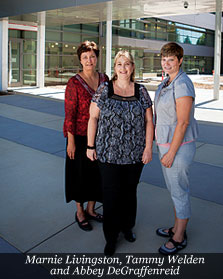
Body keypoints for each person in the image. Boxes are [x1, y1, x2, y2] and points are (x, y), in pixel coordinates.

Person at [87, 50, 154, 256]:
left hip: (135, 155)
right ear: (114, 68)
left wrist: (148, 148)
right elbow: (93, 118)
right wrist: (90, 146)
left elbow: (149, 121)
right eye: (119, 64)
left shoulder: (141, 90)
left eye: (127, 64)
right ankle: (111, 236)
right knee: (111, 196)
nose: (123, 68)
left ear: (132, 67)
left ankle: (127, 227)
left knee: (129, 193)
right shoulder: (104, 89)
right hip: (108, 154)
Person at [154, 42, 198, 255]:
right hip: (166, 146)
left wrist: (171, 152)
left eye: (171, 59)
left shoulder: (182, 84)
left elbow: (183, 123)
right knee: (174, 190)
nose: (167, 63)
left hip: (178, 149)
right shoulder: (167, 82)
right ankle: (176, 227)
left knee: (179, 190)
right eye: (164, 59)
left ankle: (179, 237)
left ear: (180, 61)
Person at [63, 41, 108, 231]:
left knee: (96, 174)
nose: (89, 60)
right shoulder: (74, 83)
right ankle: (80, 211)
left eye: (92, 56)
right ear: (80, 60)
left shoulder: (105, 78)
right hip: (80, 137)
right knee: (79, 174)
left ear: (96, 57)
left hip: (100, 136)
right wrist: (71, 141)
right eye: (85, 57)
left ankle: (91, 209)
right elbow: (69, 114)